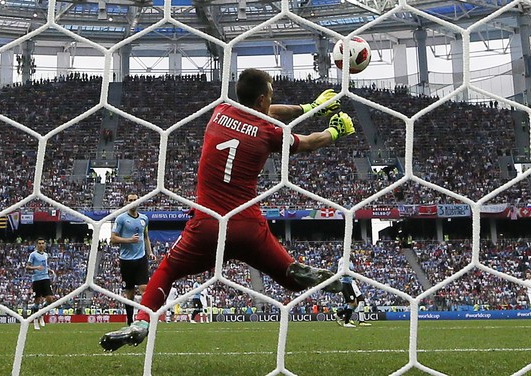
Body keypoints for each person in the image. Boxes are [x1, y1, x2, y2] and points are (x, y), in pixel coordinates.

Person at [100, 68, 354, 351]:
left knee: (168, 269)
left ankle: (142, 322)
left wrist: (310, 107)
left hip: (207, 226)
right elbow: (308, 142)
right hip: (247, 227)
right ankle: (311, 276)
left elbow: (268, 112)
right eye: (269, 96)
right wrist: (335, 129)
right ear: (261, 100)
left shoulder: (221, 111)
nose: (271, 101)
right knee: (290, 280)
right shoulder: (268, 133)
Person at [111, 193, 156, 325]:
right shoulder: (121, 219)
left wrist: (150, 252)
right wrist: (129, 240)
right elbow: (113, 239)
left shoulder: (144, 219)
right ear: (126, 202)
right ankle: (130, 320)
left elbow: (145, 236)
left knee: (144, 289)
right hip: (126, 260)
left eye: (135, 200)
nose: (133, 202)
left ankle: (144, 319)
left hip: (141, 259)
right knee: (129, 293)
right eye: (130, 200)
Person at [25, 237, 54, 330]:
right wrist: (36, 267)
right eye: (39, 243)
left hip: (45, 278)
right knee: (37, 300)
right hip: (37, 280)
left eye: (42, 243)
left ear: (44, 244)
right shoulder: (33, 255)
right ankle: (35, 320)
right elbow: (27, 267)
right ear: (37, 245)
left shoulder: (46, 255)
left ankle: (41, 314)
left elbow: (44, 266)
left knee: (50, 299)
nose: (41, 245)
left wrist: (48, 270)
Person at [334, 256, 370, 328]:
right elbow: (342, 272)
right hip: (344, 283)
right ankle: (347, 322)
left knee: (354, 303)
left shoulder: (349, 261)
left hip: (349, 283)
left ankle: (339, 314)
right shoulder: (343, 260)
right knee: (353, 302)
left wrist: (354, 277)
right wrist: (351, 274)